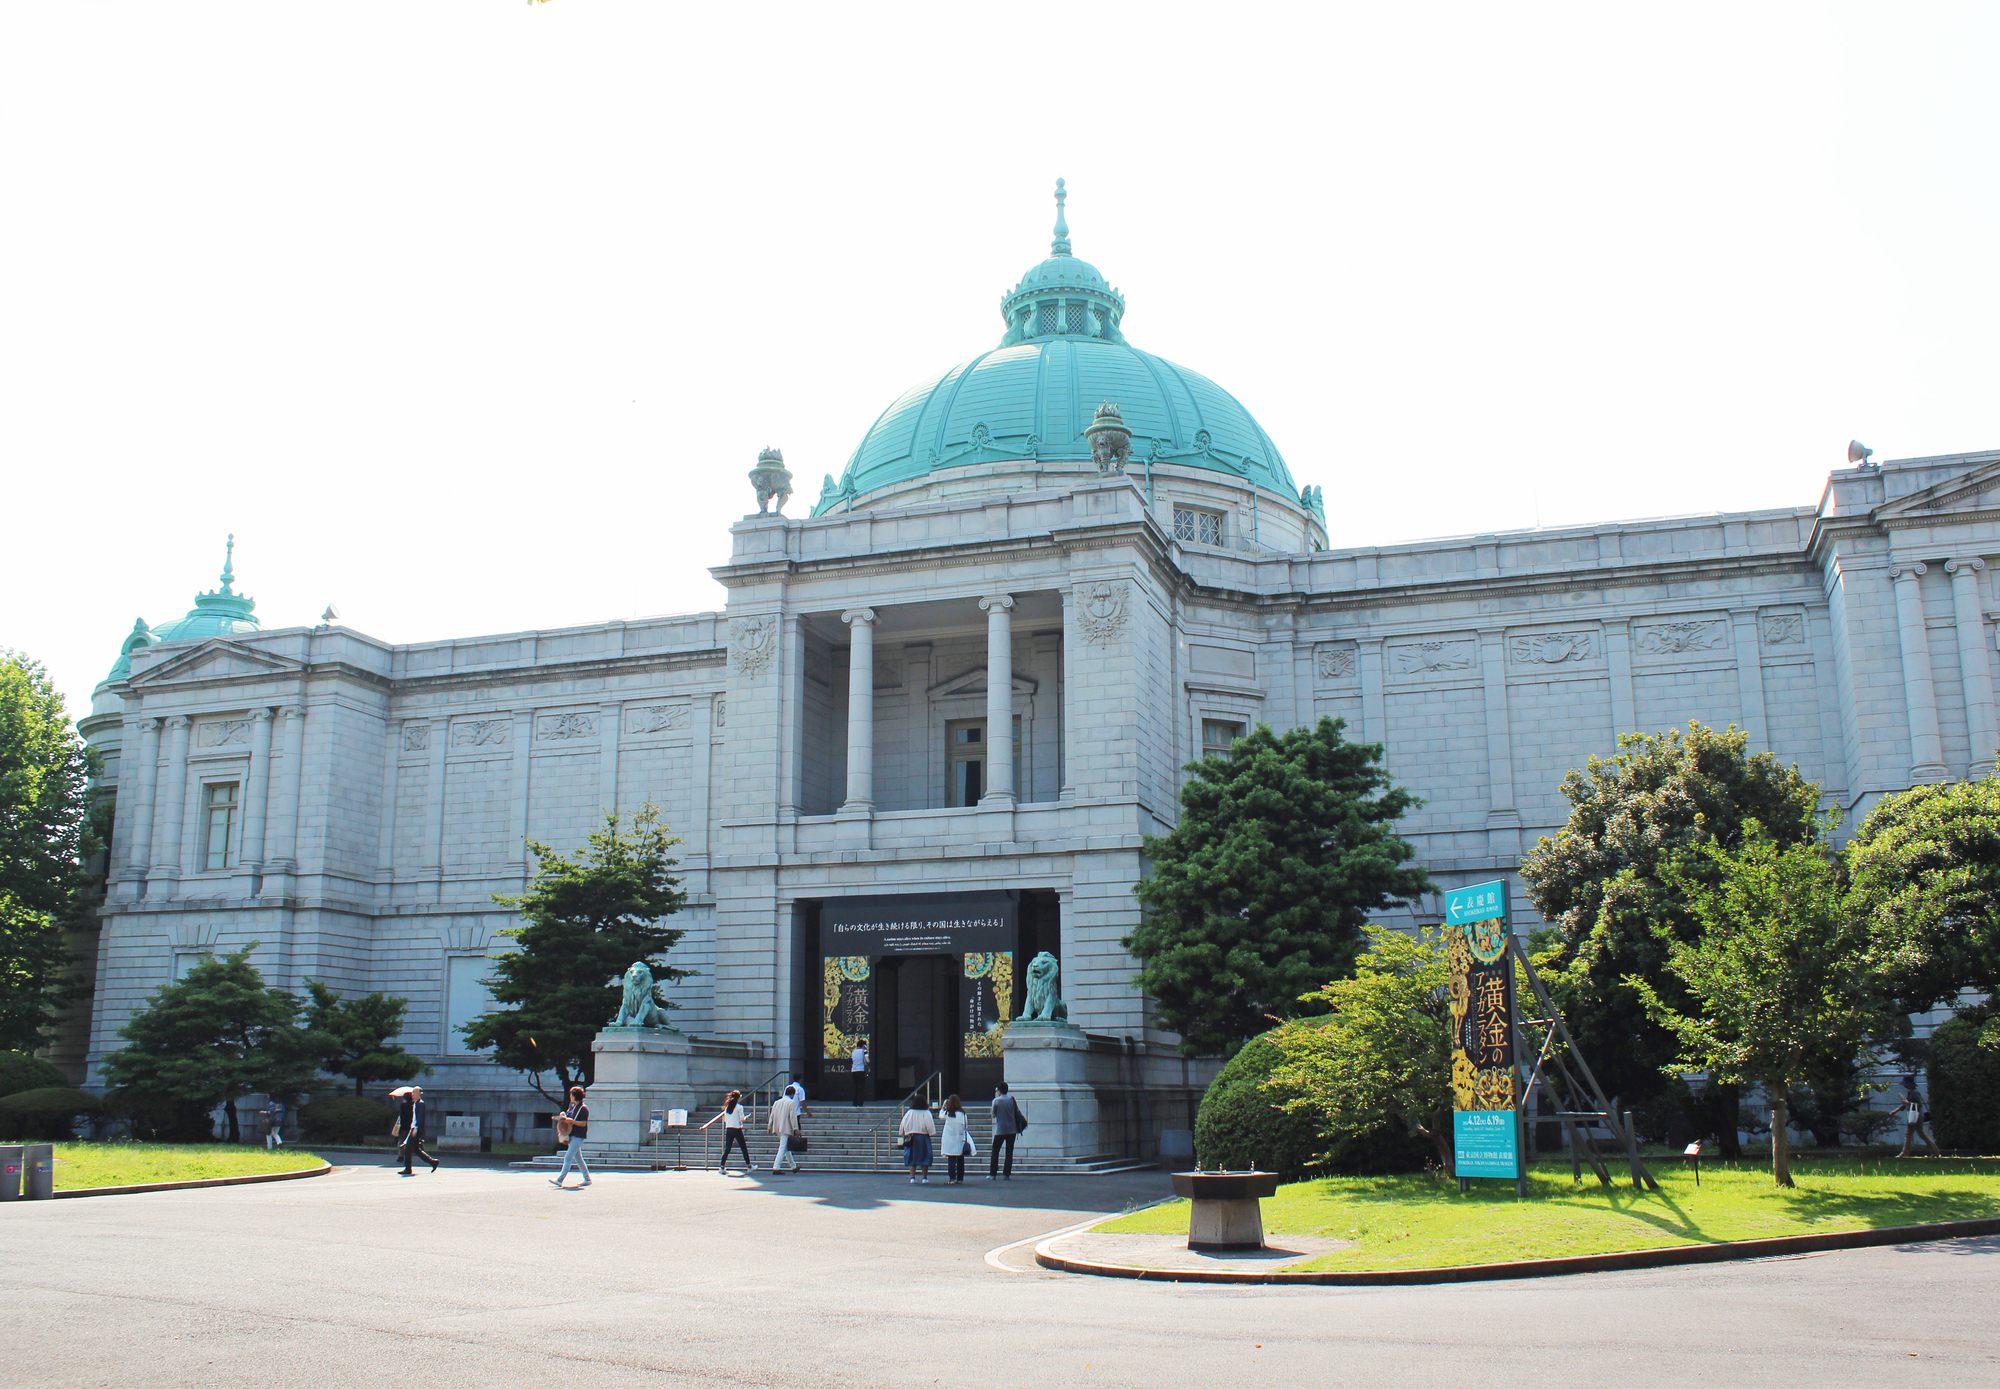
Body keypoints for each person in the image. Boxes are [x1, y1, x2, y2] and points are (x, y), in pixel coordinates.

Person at [550, 1086, 591, 1188]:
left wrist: (572, 1121)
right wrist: (563, 1115)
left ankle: (560, 1179)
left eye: (571, 1095)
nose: (570, 1097)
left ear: (575, 1096)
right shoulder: (573, 1106)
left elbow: (583, 1123)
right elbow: (568, 1116)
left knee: (568, 1157)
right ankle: (587, 1178)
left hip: (578, 1135)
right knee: (578, 1158)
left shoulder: (583, 1109)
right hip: (572, 1134)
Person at [1893, 1076, 1939, 1157]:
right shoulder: (1910, 1092)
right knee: (1919, 1134)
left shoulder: (1915, 1093)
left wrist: (1908, 1103)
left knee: (1910, 1134)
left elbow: (1918, 1104)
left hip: (1916, 1116)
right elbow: (1905, 1104)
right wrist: (1895, 1111)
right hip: (1914, 1116)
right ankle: (1935, 1151)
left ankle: (1905, 1153)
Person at [396, 1087, 437, 1176]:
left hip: (416, 1129)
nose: (413, 1094)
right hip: (413, 1128)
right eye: (413, 1092)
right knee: (416, 1149)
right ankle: (432, 1162)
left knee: (408, 1148)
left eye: (414, 1092)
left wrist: (416, 1128)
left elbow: (420, 1118)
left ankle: (408, 1168)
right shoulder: (415, 1103)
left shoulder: (421, 1104)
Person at [989, 1081, 1023, 1180]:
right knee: (1009, 1152)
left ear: (999, 1091)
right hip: (1012, 1129)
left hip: (1000, 1129)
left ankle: (993, 1173)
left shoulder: (996, 1101)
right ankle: (1006, 1174)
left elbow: (993, 1115)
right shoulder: (1011, 1099)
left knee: (995, 1151)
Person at [899, 1094, 936, 1184]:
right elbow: (930, 1125)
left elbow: (903, 1124)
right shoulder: (926, 1113)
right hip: (923, 1137)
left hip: (911, 1137)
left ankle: (912, 1177)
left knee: (911, 1157)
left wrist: (902, 1133)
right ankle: (924, 1178)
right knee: (925, 1157)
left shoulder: (909, 1113)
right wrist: (931, 1133)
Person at [939, 1095, 974, 1185]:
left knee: (951, 1159)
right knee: (960, 1159)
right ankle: (960, 1178)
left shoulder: (948, 1113)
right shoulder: (963, 1114)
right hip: (960, 1139)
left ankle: (952, 1178)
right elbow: (966, 1126)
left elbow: (940, 1116)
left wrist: (943, 1107)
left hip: (950, 1139)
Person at [715, 1090, 752, 1173]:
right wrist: (745, 1118)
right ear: (738, 1098)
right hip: (737, 1128)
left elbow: (725, 1120)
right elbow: (742, 1119)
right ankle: (749, 1165)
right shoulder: (739, 1107)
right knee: (743, 1147)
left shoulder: (727, 1107)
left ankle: (722, 1166)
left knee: (727, 1148)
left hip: (729, 1128)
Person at [767, 1085, 801, 1173]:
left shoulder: (777, 1102)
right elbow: (793, 1117)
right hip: (786, 1127)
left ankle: (793, 1166)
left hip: (777, 1127)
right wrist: (796, 1128)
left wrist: (769, 1127)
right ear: (792, 1094)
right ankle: (776, 1167)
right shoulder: (791, 1103)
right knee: (783, 1147)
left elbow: (772, 1115)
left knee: (785, 1147)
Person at [849, 1042, 868, 1107]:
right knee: (861, 1088)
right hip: (861, 1070)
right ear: (863, 1046)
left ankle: (855, 1103)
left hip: (854, 1070)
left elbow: (851, 1061)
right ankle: (860, 1103)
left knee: (855, 1087)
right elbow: (867, 1060)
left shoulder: (853, 1052)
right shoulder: (864, 1051)